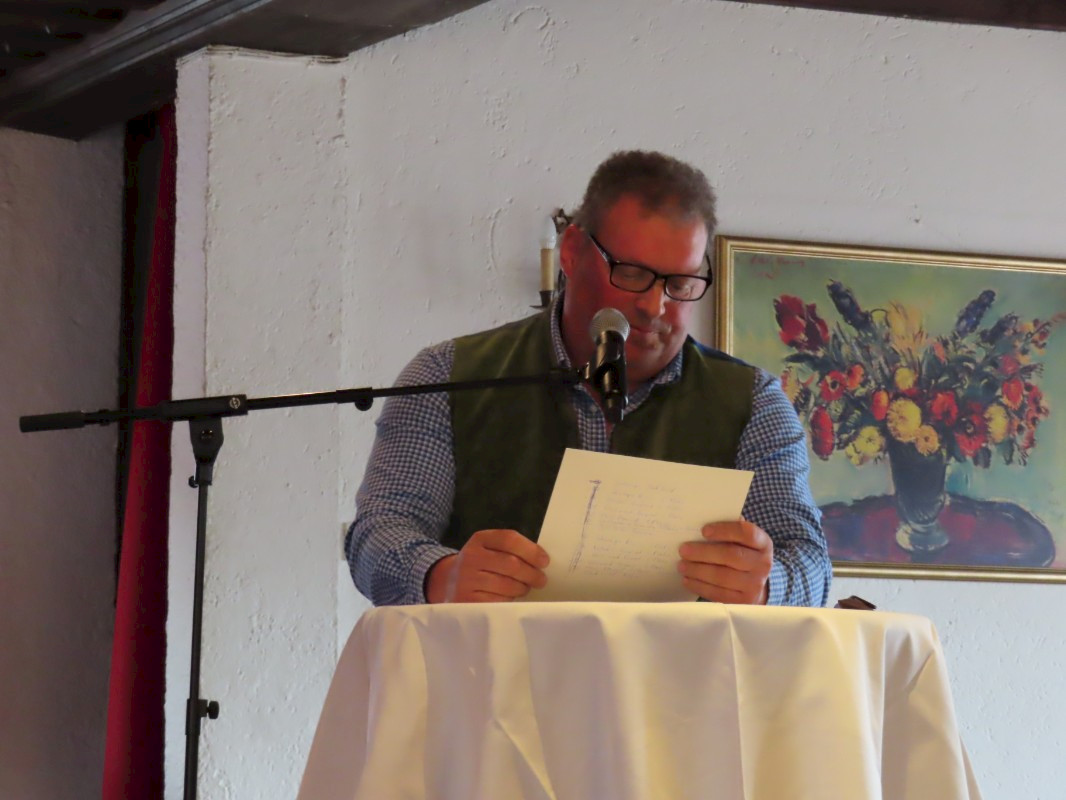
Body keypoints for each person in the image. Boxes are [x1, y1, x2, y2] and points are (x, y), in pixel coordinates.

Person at [346, 150, 831, 607]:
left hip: (680, 672)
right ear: (572, 252)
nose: (654, 306)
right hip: (493, 667)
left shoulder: (752, 402)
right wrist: (441, 575)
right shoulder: (448, 376)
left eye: (680, 284)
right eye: (632, 274)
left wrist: (766, 585)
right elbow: (377, 533)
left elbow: (811, 564)